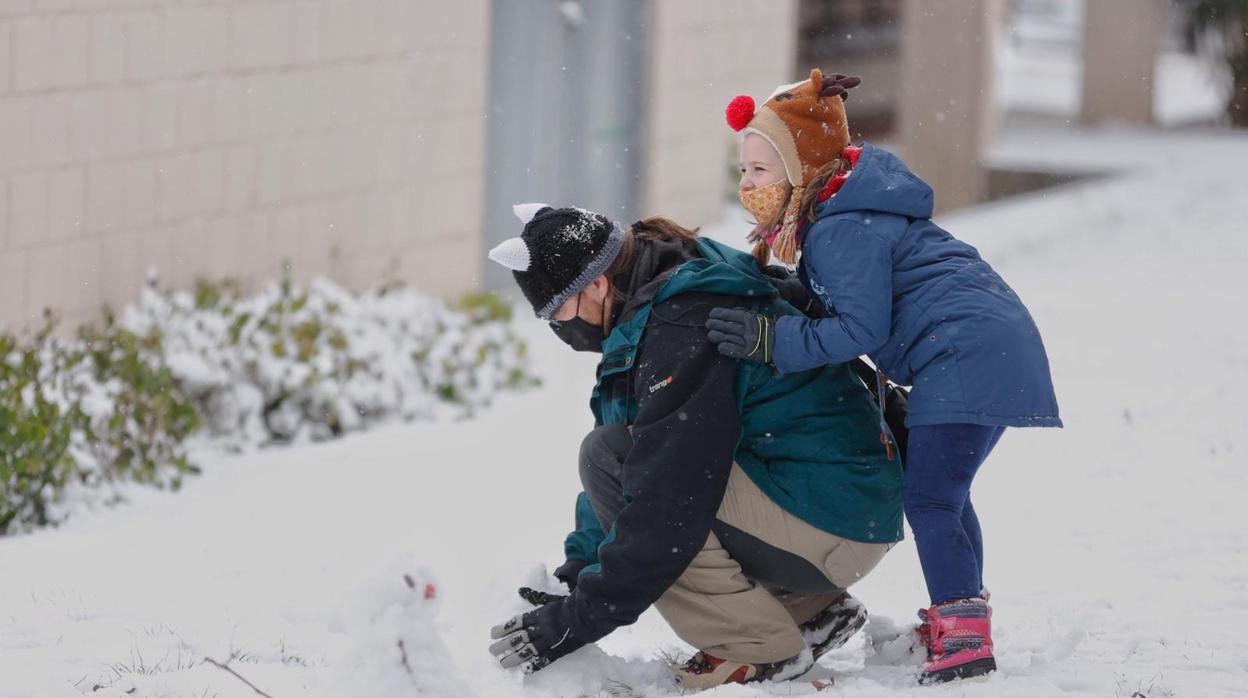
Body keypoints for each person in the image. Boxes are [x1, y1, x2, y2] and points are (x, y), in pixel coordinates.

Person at [705, 69, 1062, 684]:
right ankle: (962, 622)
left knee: (929, 499)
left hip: (964, 355)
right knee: (944, 497)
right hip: (983, 350)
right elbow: (857, 302)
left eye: (760, 170)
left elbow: (861, 330)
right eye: (743, 171)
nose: (747, 184)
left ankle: (964, 640)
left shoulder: (842, 226)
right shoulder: (846, 212)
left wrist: (772, 339)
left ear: (801, 168)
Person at [485, 205, 904, 689]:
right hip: (847, 504)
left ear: (597, 284)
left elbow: (661, 505)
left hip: (835, 518)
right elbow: (631, 460)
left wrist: (580, 618)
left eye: (559, 310)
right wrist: (576, 573)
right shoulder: (661, 289)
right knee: (630, 460)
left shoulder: (678, 324)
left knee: (645, 486)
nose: (560, 327)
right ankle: (809, 611)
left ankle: (759, 647)